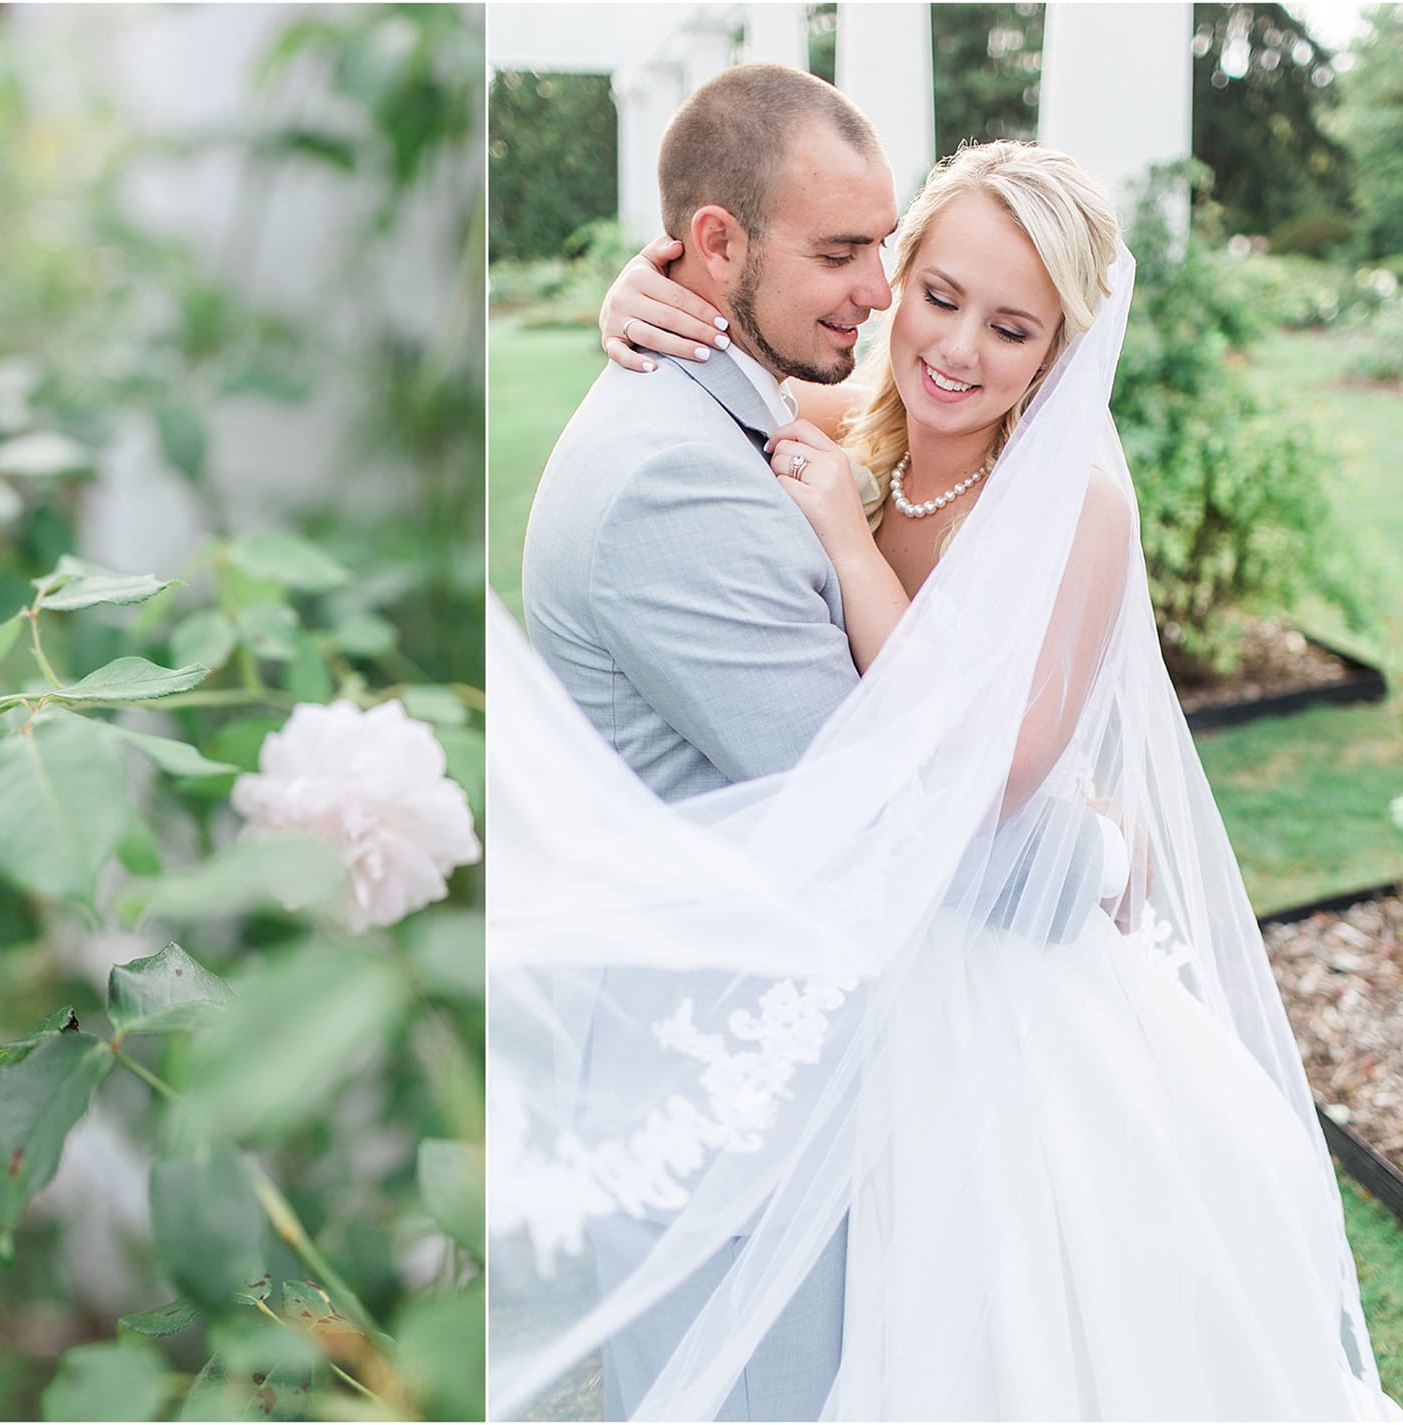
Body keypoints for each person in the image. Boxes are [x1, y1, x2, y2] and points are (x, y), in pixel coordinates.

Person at [488, 130, 1403, 1420]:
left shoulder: (1074, 501)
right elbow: (737, 372)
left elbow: (997, 779)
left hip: (1006, 978)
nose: (959, 350)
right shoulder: (870, 419)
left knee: (1034, 1328)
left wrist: (845, 548)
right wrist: (641, 297)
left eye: (1014, 329)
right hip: (888, 969)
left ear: (1062, 352)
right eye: (937, 294)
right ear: (900, 278)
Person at [516, 64, 896, 1421]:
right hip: (730, 1103)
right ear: (718, 244)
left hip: (778, 1072)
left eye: (887, 248)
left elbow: (950, 388)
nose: (882, 292)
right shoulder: (672, 473)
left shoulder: (743, 408)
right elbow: (874, 798)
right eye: (842, 252)